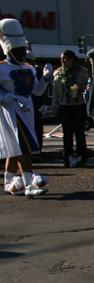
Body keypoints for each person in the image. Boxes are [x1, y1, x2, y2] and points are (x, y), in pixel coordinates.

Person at [0, 18, 49, 197]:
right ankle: (29, 184)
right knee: (24, 147)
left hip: (27, 111)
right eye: (18, 50)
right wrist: (5, 97)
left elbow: (36, 91)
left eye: (23, 50)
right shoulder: (1, 69)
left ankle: (9, 181)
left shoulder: (29, 68)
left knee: (15, 148)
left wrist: (45, 78)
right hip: (12, 112)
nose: (22, 53)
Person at [52, 49, 90, 167]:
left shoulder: (82, 72)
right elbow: (55, 91)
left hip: (79, 105)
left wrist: (81, 88)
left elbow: (88, 87)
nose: (62, 61)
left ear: (71, 59)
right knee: (67, 133)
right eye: (61, 59)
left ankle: (82, 157)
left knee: (79, 132)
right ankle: (67, 158)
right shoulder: (58, 73)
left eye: (65, 59)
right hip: (64, 105)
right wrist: (54, 106)